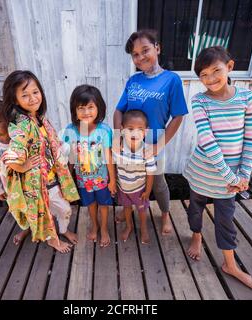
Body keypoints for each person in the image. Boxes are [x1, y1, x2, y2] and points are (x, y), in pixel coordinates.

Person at [183, 46, 252, 290]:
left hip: (230, 180)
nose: (210, 79)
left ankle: (230, 265)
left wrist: (244, 174)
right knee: (196, 208)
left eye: (216, 70)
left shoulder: (247, 98)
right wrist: (232, 176)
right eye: (203, 74)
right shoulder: (199, 101)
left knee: (225, 219)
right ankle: (196, 235)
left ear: (230, 67)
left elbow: (250, 139)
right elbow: (207, 141)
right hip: (204, 173)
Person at [113, 29, 188, 235]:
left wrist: (158, 146)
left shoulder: (171, 80)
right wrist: (118, 137)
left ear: (157, 48)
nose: (140, 57)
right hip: (130, 142)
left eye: (145, 50)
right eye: (135, 54)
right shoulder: (134, 81)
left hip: (154, 143)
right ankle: (126, 208)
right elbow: (119, 110)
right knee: (126, 175)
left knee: (156, 182)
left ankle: (164, 214)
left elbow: (178, 116)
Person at [1, 70, 79, 252]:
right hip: (38, 183)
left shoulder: (39, 119)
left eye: (35, 92)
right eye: (25, 95)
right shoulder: (22, 126)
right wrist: (24, 165)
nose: (33, 98)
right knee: (50, 211)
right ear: (15, 100)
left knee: (61, 209)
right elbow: (10, 158)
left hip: (52, 177)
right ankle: (54, 240)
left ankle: (63, 229)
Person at [62, 84, 117, 248]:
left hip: (101, 179)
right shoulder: (70, 130)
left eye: (90, 107)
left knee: (104, 205)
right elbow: (70, 156)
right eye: (81, 108)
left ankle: (105, 228)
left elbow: (109, 157)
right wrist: (68, 179)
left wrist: (112, 180)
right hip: (82, 180)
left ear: (99, 107)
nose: (86, 112)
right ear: (74, 110)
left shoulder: (104, 130)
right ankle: (95, 225)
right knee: (91, 205)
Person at [113, 110, 157, 244]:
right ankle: (129, 226)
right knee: (126, 208)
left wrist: (148, 191)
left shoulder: (146, 152)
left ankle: (143, 228)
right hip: (123, 187)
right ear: (121, 130)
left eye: (140, 129)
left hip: (139, 189)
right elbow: (114, 167)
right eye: (130, 129)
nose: (135, 133)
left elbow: (150, 174)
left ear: (146, 131)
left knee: (142, 210)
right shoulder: (118, 148)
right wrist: (114, 181)